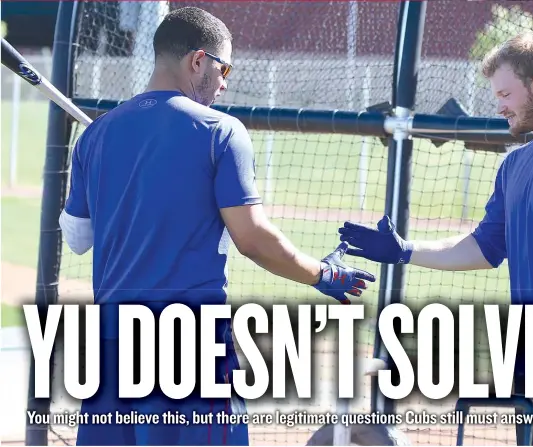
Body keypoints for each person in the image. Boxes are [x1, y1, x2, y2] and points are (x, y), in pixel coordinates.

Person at [59, 6, 375, 446]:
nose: (225, 81)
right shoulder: (220, 131)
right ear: (198, 60)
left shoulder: (96, 136)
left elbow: (77, 239)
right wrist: (322, 274)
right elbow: (252, 239)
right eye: (224, 68)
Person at [337, 32, 533, 446]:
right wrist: (404, 250)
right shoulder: (515, 164)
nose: (499, 106)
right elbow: (483, 247)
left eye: (505, 94)